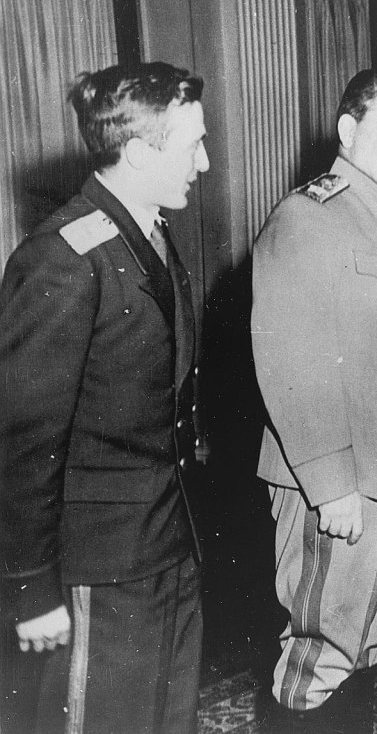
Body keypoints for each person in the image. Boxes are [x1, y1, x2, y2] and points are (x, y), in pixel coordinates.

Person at [0, 62, 209, 733]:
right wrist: (32, 589)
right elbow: (23, 441)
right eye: (193, 145)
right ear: (140, 152)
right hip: (99, 565)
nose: (205, 163)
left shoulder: (146, 231)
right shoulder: (63, 257)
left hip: (165, 544)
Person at [251, 68, 377, 733]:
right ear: (347, 129)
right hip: (339, 485)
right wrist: (331, 486)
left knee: (368, 639)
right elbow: (292, 363)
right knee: (320, 651)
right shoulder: (309, 217)